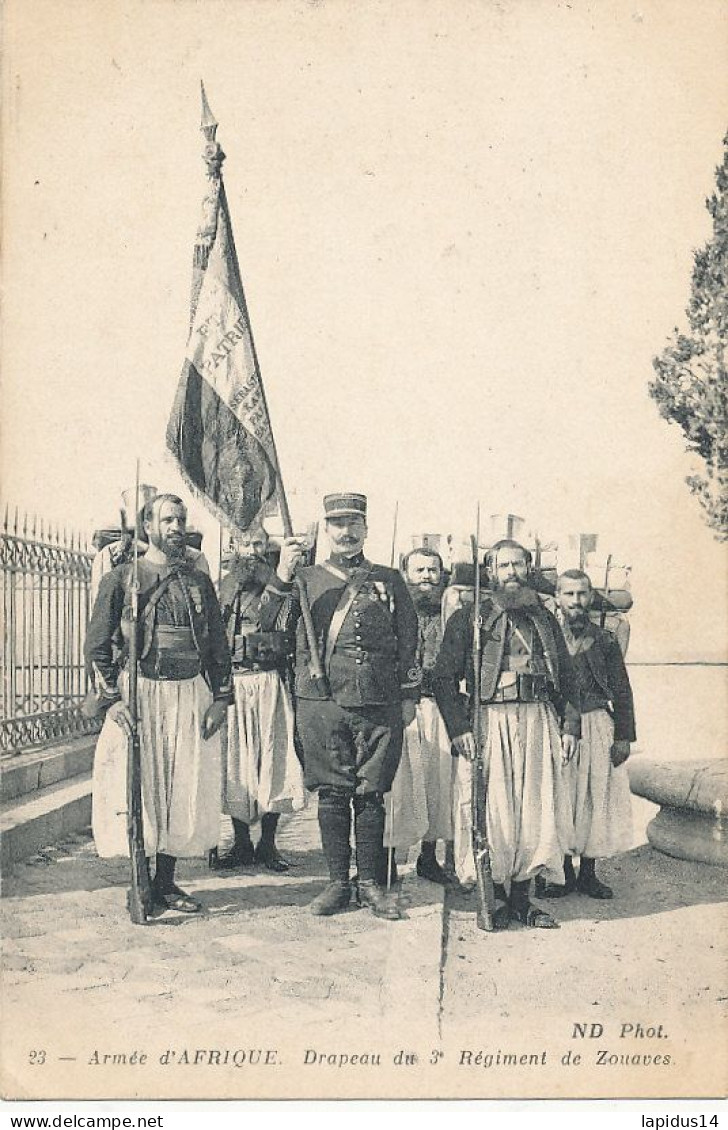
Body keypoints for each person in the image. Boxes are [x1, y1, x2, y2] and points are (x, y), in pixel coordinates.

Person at [260, 492, 420, 919]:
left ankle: (369, 884)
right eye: (336, 524)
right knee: (332, 793)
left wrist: (408, 695)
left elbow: (410, 641)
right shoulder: (305, 578)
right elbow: (266, 624)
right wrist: (281, 574)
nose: (346, 532)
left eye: (354, 523)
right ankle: (337, 884)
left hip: (379, 700)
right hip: (321, 700)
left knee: (371, 794)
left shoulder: (389, 579)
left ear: (366, 528)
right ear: (325, 530)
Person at [86, 493, 231, 914]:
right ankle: (140, 881)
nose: (176, 527)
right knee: (139, 787)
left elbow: (218, 646)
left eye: (181, 520)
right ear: (148, 526)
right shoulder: (122, 579)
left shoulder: (199, 582)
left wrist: (221, 698)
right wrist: (113, 701)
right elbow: (96, 645)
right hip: (139, 694)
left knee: (181, 784)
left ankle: (166, 882)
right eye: (167, 520)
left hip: (189, 693)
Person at [432, 539, 580, 930]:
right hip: (489, 721)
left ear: (529, 570)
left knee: (533, 809)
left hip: (538, 720)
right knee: (492, 810)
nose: (511, 573)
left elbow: (568, 677)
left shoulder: (545, 619)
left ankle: (523, 901)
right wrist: (459, 727)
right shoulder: (469, 618)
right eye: (504, 566)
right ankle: (493, 898)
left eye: (518, 565)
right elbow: (443, 678)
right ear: (490, 573)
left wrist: (570, 725)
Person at [536, 569, 635, 900]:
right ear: (558, 598)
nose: (575, 601)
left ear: (590, 597)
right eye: (568, 594)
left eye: (581, 594)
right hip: (558, 726)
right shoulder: (546, 638)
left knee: (594, 796)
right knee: (561, 795)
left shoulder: (605, 639)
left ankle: (588, 874)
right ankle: (560, 872)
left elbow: (621, 690)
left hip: (596, 725)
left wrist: (623, 736)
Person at [212, 525, 305, 873]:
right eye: (246, 544)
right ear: (234, 546)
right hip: (234, 683)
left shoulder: (283, 584)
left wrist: (281, 579)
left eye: (259, 544)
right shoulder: (222, 586)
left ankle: (267, 844)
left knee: (272, 759)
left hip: (269, 680)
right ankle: (239, 843)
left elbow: (278, 621)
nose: (251, 551)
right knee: (237, 764)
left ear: (268, 547)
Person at [384, 547, 457, 886]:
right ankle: (387, 861)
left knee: (436, 783)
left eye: (433, 570)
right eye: (419, 570)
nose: (427, 576)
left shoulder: (453, 616)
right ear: (405, 574)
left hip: (438, 707)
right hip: (398, 708)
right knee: (395, 786)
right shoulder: (389, 613)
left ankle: (429, 858)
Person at [90, 484, 209, 605]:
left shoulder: (192, 556)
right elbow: (102, 604)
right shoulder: (112, 553)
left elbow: (205, 606)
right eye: (167, 520)